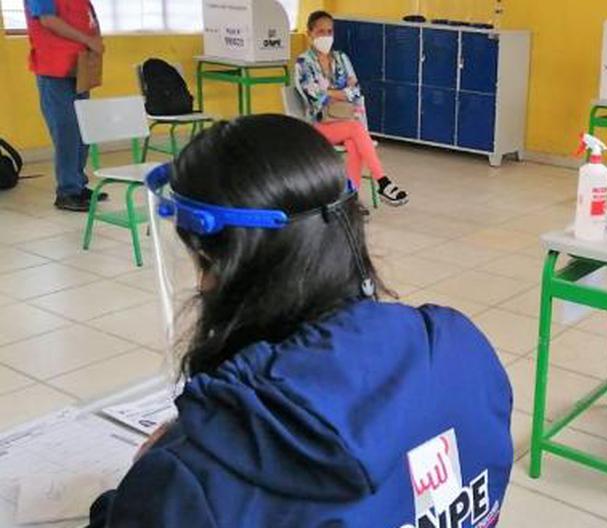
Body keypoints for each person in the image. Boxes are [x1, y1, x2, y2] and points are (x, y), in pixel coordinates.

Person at [87, 115, 513, 527]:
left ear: (225, 266)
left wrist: (143, 484)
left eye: (202, 263)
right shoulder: (462, 350)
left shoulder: (195, 476)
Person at [296, 10, 409, 206]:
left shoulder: (341, 58)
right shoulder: (304, 62)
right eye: (321, 31)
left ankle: (350, 200)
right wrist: (340, 92)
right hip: (318, 124)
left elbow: (355, 91)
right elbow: (315, 95)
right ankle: (383, 181)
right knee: (356, 129)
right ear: (310, 33)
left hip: (344, 122)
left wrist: (330, 91)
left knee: (353, 141)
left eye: (329, 31)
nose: (326, 36)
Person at [25, 0, 108, 211]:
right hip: (54, 68)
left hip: (80, 66)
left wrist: (96, 39)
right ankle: (67, 191)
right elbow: (48, 20)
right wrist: (88, 40)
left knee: (83, 128)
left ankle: (78, 184)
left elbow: (89, 18)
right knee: (66, 129)